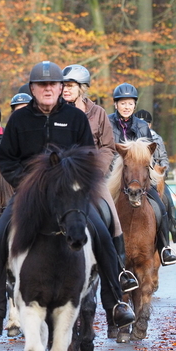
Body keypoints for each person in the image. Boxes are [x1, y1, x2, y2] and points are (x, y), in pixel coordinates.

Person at [0, 61, 136, 336]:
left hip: (69, 193)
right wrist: (26, 184)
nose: (48, 89)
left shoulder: (75, 118)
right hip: (30, 194)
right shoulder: (19, 120)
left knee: (101, 231)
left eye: (53, 84)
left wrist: (76, 180)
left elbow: (88, 154)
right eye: (42, 85)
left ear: (61, 87)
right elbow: (6, 160)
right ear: (33, 89)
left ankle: (116, 303)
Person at [61, 64, 139, 296]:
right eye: (64, 85)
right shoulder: (55, 113)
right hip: (62, 177)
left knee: (112, 217)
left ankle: (120, 271)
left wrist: (97, 171)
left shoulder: (98, 113)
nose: (65, 89)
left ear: (82, 88)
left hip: (92, 177)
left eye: (71, 86)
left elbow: (107, 146)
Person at [108, 83, 176, 266]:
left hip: (139, 175)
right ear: (116, 105)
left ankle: (164, 248)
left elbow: (149, 153)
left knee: (161, 206)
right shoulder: (108, 123)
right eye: (122, 103)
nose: (126, 107)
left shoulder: (141, 126)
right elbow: (106, 151)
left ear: (134, 105)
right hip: (114, 175)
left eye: (130, 103)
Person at [135, 109, 176, 244]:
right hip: (138, 176)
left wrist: (162, 172)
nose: (143, 126)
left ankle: (174, 229)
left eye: (145, 123)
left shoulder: (157, 138)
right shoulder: (132, 138)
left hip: (155, 176)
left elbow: (163, 158)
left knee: (168, 200)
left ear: (150, 125)